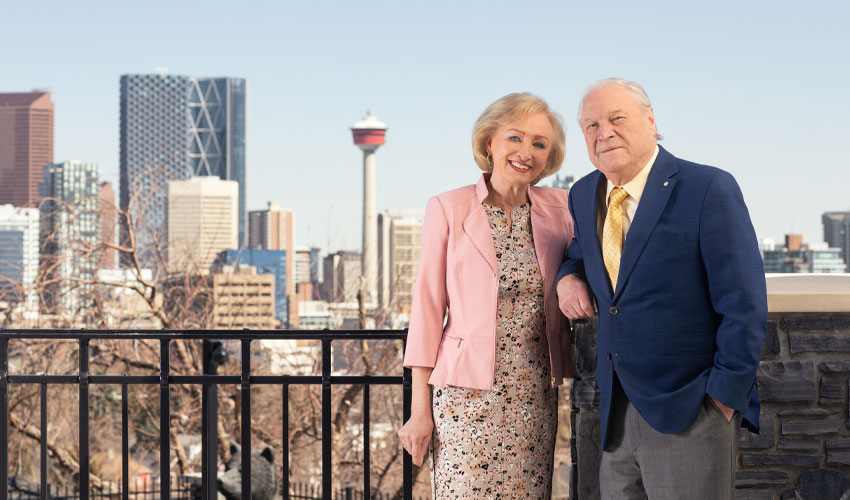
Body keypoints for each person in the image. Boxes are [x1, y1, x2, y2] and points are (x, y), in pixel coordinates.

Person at [556, 78, 766, 499]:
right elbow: (581, 252)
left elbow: (744, 305)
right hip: (616, 412)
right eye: (591, 125)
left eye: (617, 118)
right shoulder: (582, 193)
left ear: (650, 120)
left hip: (691, 409)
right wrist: (567, 277)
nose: (604, 132)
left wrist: (721, 401)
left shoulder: (708, 188)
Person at [397, 93, 575, 498]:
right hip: (464, 399)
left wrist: (573, 279)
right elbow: (427, 310)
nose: (525, 152)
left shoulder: (562, 209)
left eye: (539, 144)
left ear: (549, 158)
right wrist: (419, 411)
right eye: (515, 137)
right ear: (490, 142)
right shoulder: (448, 207)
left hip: (534, 395)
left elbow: (585, 262)